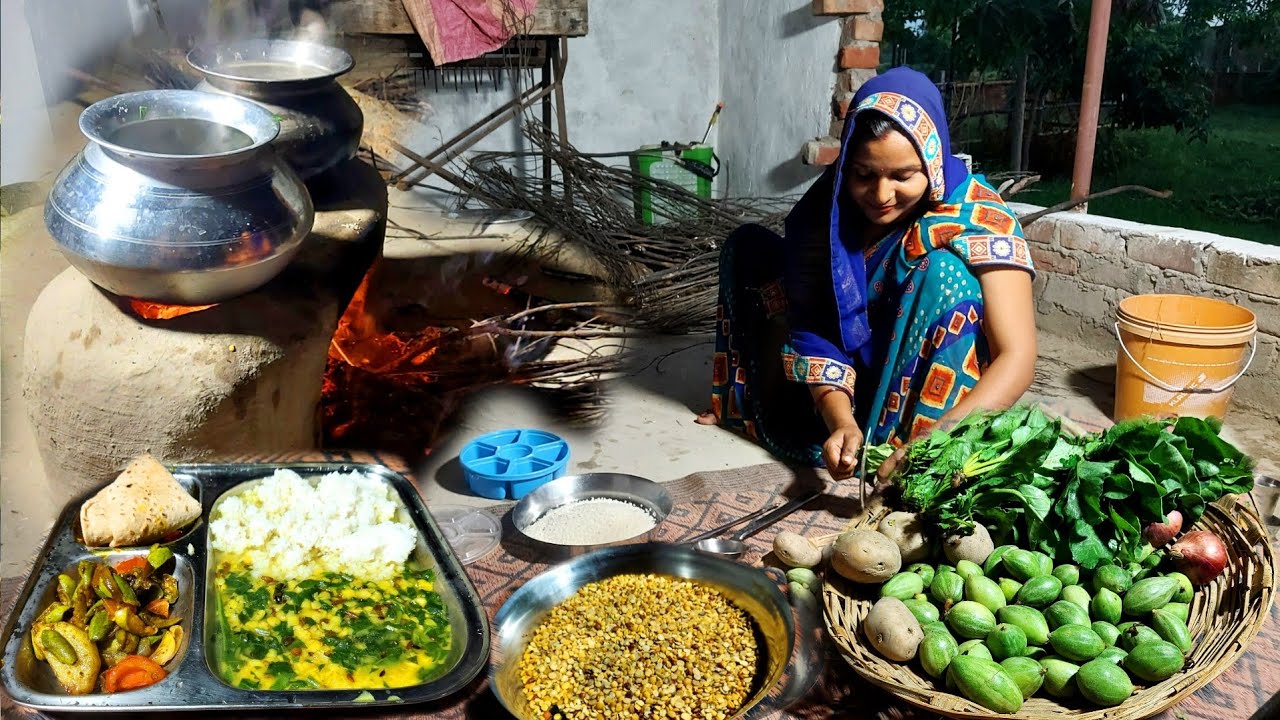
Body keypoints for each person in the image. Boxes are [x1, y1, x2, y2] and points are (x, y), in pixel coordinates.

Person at [696, 66, 1037, 483]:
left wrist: (938, 440)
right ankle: (790, 414)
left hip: (925, 390)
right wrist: (841, 421)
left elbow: (1017, 357)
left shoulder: (979, 216)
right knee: (748, 248)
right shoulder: (826, 211)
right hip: (848, 368)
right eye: (863, 175)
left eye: (902, 176)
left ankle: (906, 443)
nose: (881, 196)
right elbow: (814, 321)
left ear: (932, 160)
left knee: (945, 275)